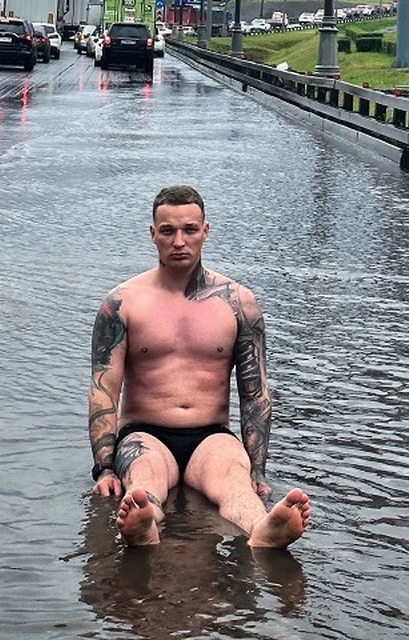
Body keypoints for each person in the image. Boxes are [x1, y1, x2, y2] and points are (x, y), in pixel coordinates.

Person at [87, 184, 311, 548]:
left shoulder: (239, 304)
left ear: (205, 231)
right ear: (152, 234)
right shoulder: (122, 304)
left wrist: (257, 469)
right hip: (145, 433)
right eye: (168, 231)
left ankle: (263, 529)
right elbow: (103, 390)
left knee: (235, 482)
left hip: (211, 436)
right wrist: (106, 468)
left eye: (189, 230)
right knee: (144, 481)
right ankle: (145, 522)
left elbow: (255, 395)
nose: (179, 241)